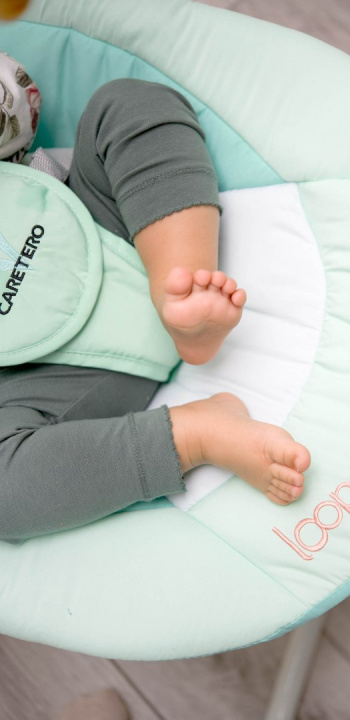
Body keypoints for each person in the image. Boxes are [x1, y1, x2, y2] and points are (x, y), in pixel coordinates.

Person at [0, 51, 311, 543]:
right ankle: (193, 434)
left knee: (126, 106)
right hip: (39, 382)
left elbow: (13, 99)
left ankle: (182, 284)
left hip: (97, 230)